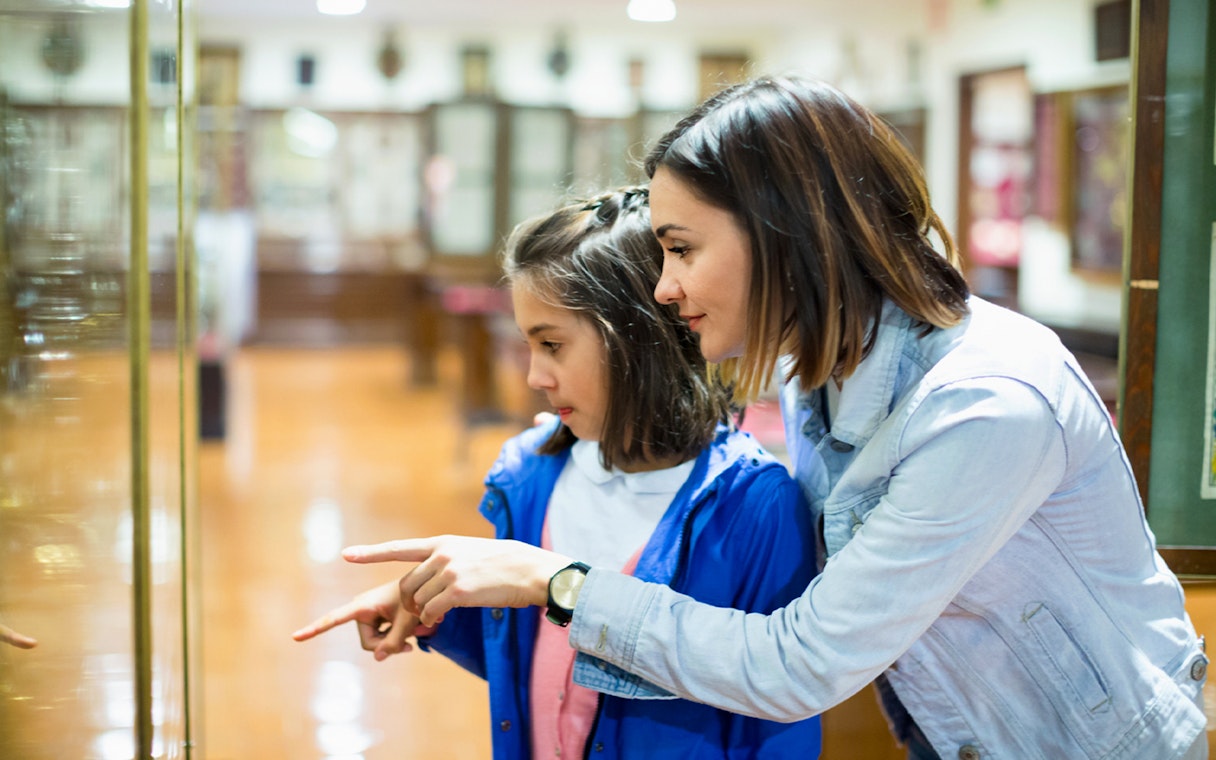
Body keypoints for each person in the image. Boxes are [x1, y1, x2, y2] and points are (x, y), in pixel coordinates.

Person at [336, 75, 1211, 759]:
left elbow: (799, 664)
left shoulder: (986, 407)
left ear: (788, 233)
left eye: (681, 249)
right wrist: (445, 606)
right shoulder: (811, 372)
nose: (664, 285)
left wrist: (552, 580)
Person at [293, 187, 822, 759]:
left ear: (639, 338)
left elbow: (778, 714)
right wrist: (431, 610)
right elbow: (533, 653)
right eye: (528, 345)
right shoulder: (529, 473)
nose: (534, 377)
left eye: (552, 345)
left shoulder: (754, 503)